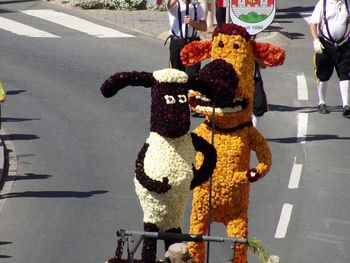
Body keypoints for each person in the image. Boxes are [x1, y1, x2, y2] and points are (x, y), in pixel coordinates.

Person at [309, 0, 350, 116]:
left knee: (345, 73)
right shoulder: (323, 3)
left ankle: (346, 105)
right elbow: (313, 24)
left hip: (344, 45)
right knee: (323, 75)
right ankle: (322, 102)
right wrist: (316, 40)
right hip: (325, 44)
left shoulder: (347, 3)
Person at [167, 0, 207, 76]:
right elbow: (169, 5)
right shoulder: (175, 5)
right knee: (176, 75)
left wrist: (192, 23)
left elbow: (204, 27)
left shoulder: (197, 6)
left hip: (193, 43)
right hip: (177, 43)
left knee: (192, 75)